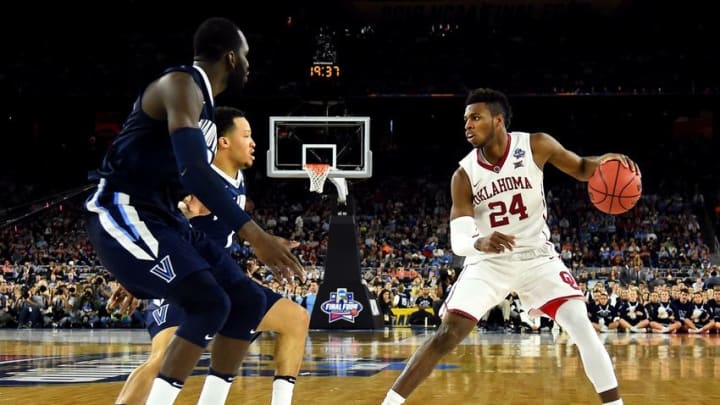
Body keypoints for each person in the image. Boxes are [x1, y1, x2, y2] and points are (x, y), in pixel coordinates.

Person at [84, 17, 304, 405]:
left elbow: (182, 183)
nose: (251, 65)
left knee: (247, 303)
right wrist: (257, 236)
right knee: (209, 303)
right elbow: (193, 172)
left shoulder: (205, 106)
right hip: (124, 209)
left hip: (162, 219)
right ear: (232, 59)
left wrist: (143, 273)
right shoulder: (181, 85)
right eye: (248, 57)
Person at [381, 88, 639, 405]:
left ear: (498, 120)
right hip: (489, 263)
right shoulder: (463, 175)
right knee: (448, 333)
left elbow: (583, 168)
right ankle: (390, 403)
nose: (467, 125)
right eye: (465, 119)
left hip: (537, 258)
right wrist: (481, 242)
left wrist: (608, 160)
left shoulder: (536, 145)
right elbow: (459, 241)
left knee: (581, 325)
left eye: (476, 117)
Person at [112, 107, 309, 405]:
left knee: (295, 319)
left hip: (222, 281)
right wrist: (134, 276)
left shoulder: (237, 178)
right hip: (183, 280)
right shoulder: (193, 182)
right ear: (223, 142)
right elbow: (153, 221)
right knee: (163, 359)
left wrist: (266, 240)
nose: (254, 142)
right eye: (246, 135)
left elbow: (222, 234)